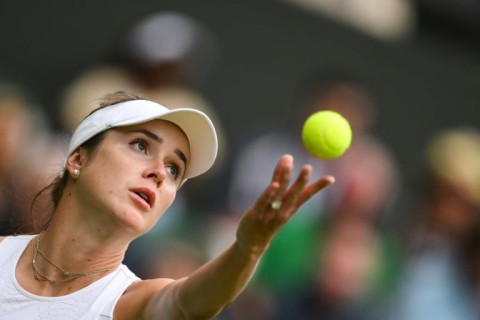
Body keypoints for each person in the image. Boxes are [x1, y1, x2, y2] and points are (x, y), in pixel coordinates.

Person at [0, 91, 335, 319]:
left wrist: (248, 249)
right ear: (78, 159)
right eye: (141, 145)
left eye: (175, 169)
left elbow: (190, 302)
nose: (160, 173)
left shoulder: (134, 304)